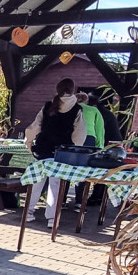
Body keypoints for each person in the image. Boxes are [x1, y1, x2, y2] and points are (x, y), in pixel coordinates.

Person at [24, 78, 88, 224]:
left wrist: (28, 140)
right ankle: (52, 219)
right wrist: (75, 149)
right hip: (61, 153)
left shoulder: (48, 105)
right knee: (55, 186)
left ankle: (28, 213)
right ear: (73, 90)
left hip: (42, 149)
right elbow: (79, 134)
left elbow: (36, 126)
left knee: (37, 182)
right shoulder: (77, 109)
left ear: (57, 89)